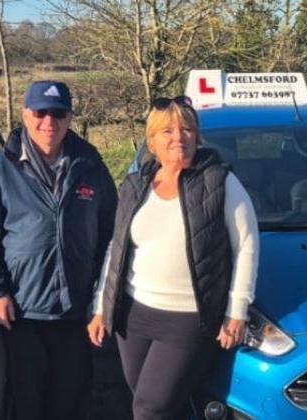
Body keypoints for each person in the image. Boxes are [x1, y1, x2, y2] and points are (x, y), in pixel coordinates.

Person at [87, 96, 260, 420]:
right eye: (167, 131)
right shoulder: (136, 185)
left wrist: (237, 310)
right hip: (134, 317)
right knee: (162, 406)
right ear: (151, 141)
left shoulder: (220, 182)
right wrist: (101, 306)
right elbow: (117, 247)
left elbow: (246, 246)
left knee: (149, 407)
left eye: (186, 129)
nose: (178, 137)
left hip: (188, 319)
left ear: (197, 136)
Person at [0, 80, 117, 420]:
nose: (49, 122)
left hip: (77, 313)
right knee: (27, 405)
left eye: (58, 113)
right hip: (22, 314)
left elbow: (112, 237)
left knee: (72, 404)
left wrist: (101, 301)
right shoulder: (0, 170)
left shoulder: (90, 166)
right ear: (24, 115)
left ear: (70, 118)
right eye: (40, 113)